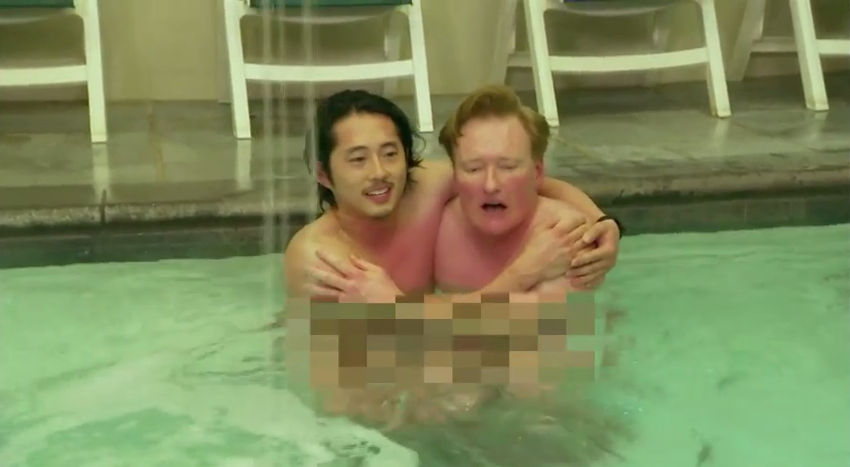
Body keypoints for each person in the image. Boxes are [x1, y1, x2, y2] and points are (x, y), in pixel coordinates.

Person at [279, 88, 621, 435]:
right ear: (323, 174)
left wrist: (604, 223)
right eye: (357, 160)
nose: (379, 172)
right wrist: (523, 272)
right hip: (366, 401)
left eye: (390, 153)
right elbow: (371, 369)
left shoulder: (425, 188)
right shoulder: (319, 257)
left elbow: (530, 181)